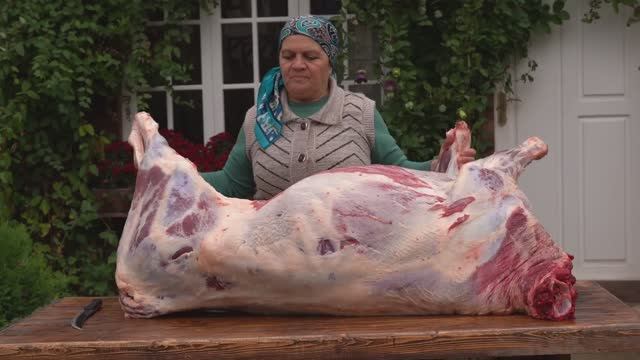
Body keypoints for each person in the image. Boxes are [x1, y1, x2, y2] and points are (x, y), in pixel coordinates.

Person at [201, 15, 476, 200]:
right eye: (288, 56)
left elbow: (400, 172)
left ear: (330, 63)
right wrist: (170, 170)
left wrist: (441, 163)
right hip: (275, 268)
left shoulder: (361, 113)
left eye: (310, 56)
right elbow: (232, 185)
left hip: (349, 267)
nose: (297, 64)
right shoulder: (259, 119)